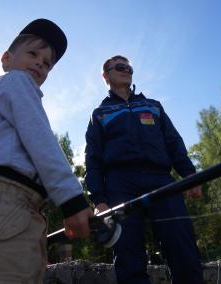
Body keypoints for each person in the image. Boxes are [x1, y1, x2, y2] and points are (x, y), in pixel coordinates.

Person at [0, 19, 93, 283]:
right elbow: (41, 141)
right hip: (5, 202)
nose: (41, 62)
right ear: (6, 59)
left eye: (48, 63)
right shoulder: (16, 82)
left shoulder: (11, 93)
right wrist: (72, 200)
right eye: (33, 53)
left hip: (9, 207)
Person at [85, 55, 204, 284]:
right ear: (106, 75)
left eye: (129, 67)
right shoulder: (99, 114)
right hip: (120, 184)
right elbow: (93, 160)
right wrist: (99, 200)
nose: (126, 70)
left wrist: (189, 176)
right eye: (120, 67)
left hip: (161, 179)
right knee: (128, 254)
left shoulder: (153, 106)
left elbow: (174, 143)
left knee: (182, 246)